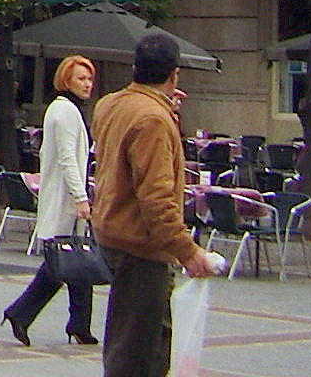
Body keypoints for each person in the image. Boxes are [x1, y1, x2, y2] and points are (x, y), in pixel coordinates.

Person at [94, 31, 219, 376]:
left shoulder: (110, 104)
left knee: (127, 339)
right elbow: (157, 200)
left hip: (111, 234)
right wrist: (188, 252)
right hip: (141, 246)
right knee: (140, 351)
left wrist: (165, 108)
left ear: (135, 68)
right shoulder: (153, 120)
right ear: (174, 74)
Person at [2, 54, 99, 348]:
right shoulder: (66, 111)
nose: (87, 84)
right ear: (66, 80)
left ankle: (79, 324)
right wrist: (81, 197)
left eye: (90, 78)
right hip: (66, 200)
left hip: (66, 198)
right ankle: (21, 313)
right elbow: (68, 158)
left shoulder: (65, 109)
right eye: (81, 79)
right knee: (64, 263)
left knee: (76, 260)